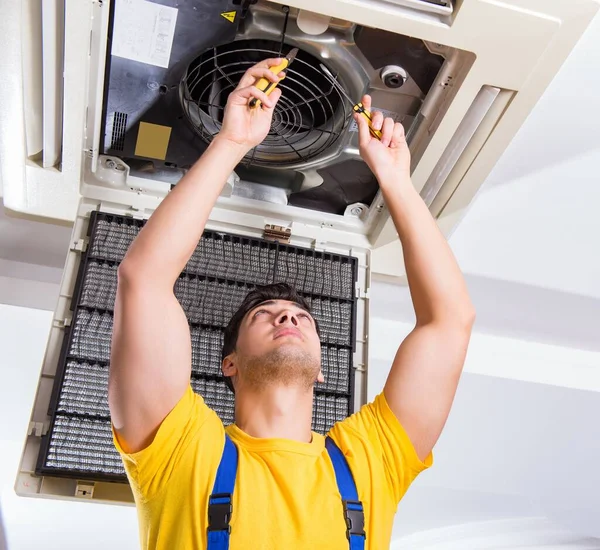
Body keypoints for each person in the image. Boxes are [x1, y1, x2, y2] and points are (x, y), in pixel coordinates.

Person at [109, 57, 475, 550]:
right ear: (229, 363)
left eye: (302, 318)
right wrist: (231, 142)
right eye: (265, 316)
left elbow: (451, 321)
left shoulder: (367, 460)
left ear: (323, 369)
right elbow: (144, 280)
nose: (287, 316)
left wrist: (397, 180)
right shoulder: (181, 450)